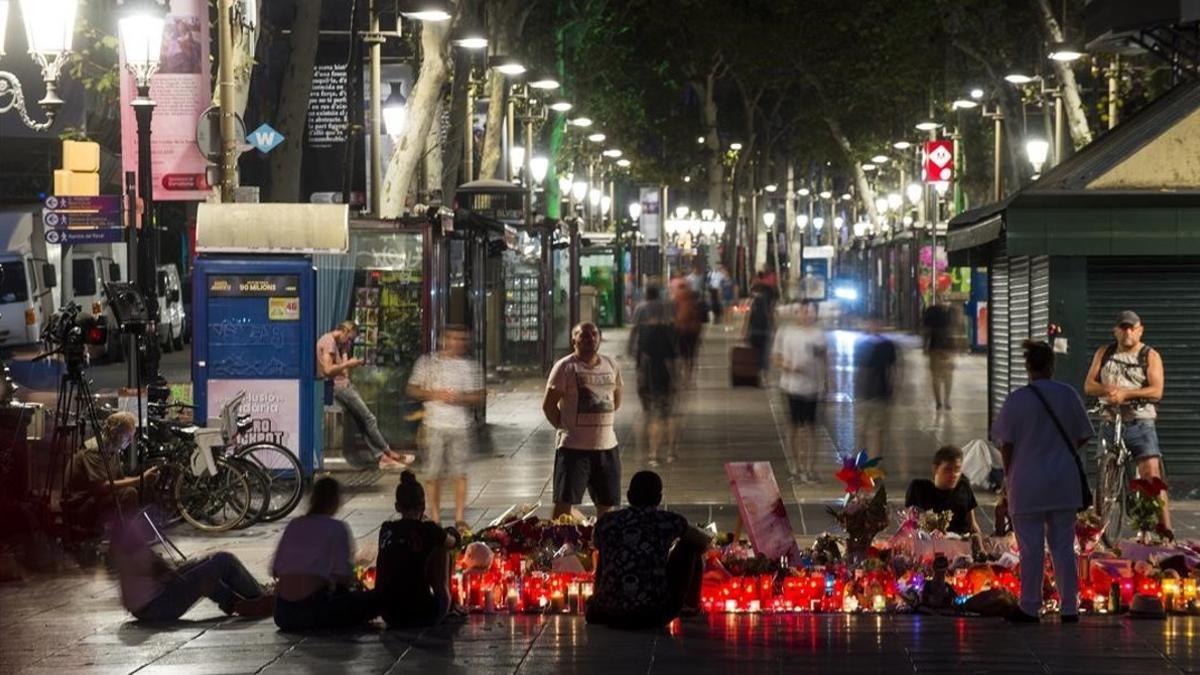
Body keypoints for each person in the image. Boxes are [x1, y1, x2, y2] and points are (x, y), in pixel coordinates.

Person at [992, 340, 1092, 623]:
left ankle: (1030, 606)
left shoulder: (1017, 400)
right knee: (1063, 545)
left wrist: (1008, 480)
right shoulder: (1068, 395)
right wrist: (1063, 451)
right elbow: (1084, 434)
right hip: (1063, 481)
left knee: (1030, 547)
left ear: (1028, 368)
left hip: (1027, 483)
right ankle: (1069, 607)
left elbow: (1006, 445)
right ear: (1051, 365)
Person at [586, 471, 710, 629]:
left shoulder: (608, 521)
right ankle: (691, 606)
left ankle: (604, 598)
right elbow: (703, 542)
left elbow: (595, 543)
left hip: (607, 612)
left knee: (607, 546)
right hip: (653, 613)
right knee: (689, 546)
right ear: (658, 499)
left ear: (629, 496)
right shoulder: (668, 521)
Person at [1083, 310, 1169, 532]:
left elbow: (1157, 390)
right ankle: (1098, 533)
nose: (1127, 331)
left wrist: (1125, 394)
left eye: (1132, 327)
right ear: (1116, 331)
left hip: (1140, 421)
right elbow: (1089, 385)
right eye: (1123, 327)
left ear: (1140, 330)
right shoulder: (1105, 353)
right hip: (1111, 420)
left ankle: (1165, 529)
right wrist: (1106, 389)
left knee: (1151, 474)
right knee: (1104, 475)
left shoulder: (1150, 355)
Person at [110, 514, 273, 622]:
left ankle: (243, 601)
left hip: (153, 604)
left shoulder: (125, 548)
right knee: (222, 561)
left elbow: (169, 575)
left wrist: (196, 566)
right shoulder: (133, 549)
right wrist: (196, 568)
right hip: (157, 607)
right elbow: (170, 574)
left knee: (209, 568)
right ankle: (255, 597)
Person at [272, 477, 379, 631]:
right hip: (314, 612)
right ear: (335, 501)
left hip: (283, 613)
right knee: (376, 598)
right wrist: (357, 564)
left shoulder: (294, 524)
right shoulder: (336, 528)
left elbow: (276, 570)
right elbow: (344, 578)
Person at [542, 322, 624, 518]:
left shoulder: (611, 364)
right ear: (574, 340)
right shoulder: (565, 367)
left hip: (606, 447)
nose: (590, 339)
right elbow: (549, 405)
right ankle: (560, 542)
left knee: (607, 504)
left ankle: (602, 542)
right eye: (584, 335)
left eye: (594, 335)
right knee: (564, 504)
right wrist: (565, 428)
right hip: (573, 449)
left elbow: (616, 399)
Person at [406, 325, 484, 528]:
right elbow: (412, 389)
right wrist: (434, 394)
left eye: (462, 339)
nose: (457, 343)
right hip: (434, 424)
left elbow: (479, 395)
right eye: (453, 338)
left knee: (459, 472)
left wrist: (460, 397)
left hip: (460, 425)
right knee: (433, 473)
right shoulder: (427, 363)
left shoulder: (469, 366)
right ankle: (435, 517)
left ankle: (459, 517)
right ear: (443, 339)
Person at [317, 321, 411, 471]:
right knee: (369, 418)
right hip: (340, 387)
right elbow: (328, 370)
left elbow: (342, 366)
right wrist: (348, 365)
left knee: (362, 421)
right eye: (349, 338)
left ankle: (382, 457)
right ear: (344, 332)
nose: (349, 342)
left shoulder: (338, 343)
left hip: (342, 385)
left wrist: (348, 359)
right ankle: (388, 452)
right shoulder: (329, 342)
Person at [375, 471, 461, 628]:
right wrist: (449, 532)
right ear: (423, 506)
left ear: (397, 507)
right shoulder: (428, 529)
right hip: (422, 613)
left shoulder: (386, 529)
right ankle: (448, 601)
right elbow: (452, 542)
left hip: (388, 612)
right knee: (443, 550)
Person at [64, 412, 159, 538]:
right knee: (129, 493)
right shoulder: (94, 451)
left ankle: (132, 536)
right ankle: (121, 542)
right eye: (128, 436)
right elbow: (102, 486)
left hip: (95, 499)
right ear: (116, 433)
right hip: (82, 504)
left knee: (139, 489)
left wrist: (143, 480)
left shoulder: (113, 450)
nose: (130, 441)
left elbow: (120, 480)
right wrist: (139, 479)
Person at [773, 302, 828, 484]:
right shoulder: (786, 332)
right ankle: (795, 467)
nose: (806, 315)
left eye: (809, 312)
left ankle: (809, 468)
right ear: (796, 313)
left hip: (812, 388)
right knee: (794, 427)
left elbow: (823, 357)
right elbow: (776, 356)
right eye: (803, 311)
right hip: (791, 387)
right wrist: (790, 367)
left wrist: (827, 381)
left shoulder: (818, 335)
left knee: (811, 429)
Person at [905, 445, 984, 548]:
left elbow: (972, 525)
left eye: (957, 469)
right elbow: (909, 526)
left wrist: (979, 544)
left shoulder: (963, 488)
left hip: (961, 545)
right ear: (936, 469)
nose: (954, 474)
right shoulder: (919, 489)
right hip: (930, 546)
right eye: (948, 469)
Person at [634, 295, 678, 468]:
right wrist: (677, 378)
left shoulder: (644, 333)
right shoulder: (669, 331)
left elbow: (640, 357)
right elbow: (673, 358)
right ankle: (671, 451)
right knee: (668, 414)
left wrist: (640, 377)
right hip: (665, 376)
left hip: (650, 377)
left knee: (653, 416)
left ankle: (653, 453)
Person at [854, 319, 897, 458]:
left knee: (870, 431)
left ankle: (866, 466)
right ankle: (868, 466)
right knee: (870, 431)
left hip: (875, 393)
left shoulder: (864, 344)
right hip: (871, 393)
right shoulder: (884, 345)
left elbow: (893, 370)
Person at [922, 300, 956, 410]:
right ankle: (946, 401)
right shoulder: (950, 312)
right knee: (948, 377)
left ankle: (939, 402)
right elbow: (954, 329)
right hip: (948, 347)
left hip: (935, 347)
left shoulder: (930, 312)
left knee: (936, 377)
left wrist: (925, 346)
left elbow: (926, 331)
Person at [674, 287, 703, 387]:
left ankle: (685, 378)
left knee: (683, 356)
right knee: (691, 356)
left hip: (682, 332)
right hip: (693, 332)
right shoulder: (695, 304)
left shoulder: (679, 304)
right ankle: (690, 378)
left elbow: (678, 318)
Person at [745, 284, 774, 375]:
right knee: (764, 354)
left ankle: (755, 372)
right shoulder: (768, 301)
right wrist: (773, 329)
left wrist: (745, 332)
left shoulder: (753, 301)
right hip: (764, 331)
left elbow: (748, 317)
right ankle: (764, 375)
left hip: (754, 331)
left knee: (754, 353)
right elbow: (770, 316)